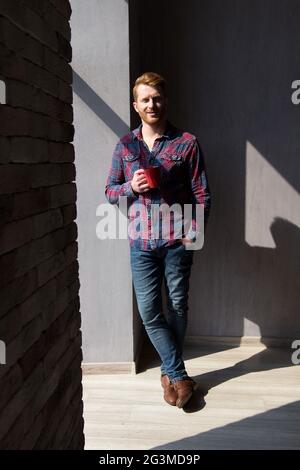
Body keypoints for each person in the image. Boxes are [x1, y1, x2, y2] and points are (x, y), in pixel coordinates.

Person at [105, 72, 211, 408]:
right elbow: (109, 191)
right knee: (149, 312)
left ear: (165, 101)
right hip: (141, 243)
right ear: (136, 105)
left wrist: (194, 231)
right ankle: (177, 374)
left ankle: (170, 377)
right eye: (145, 99)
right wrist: (129, 188)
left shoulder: (187, 143)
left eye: (157, 98)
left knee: (177, 307)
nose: (152, 104)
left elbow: (201, 192)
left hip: (177, 241)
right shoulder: (125, 146)